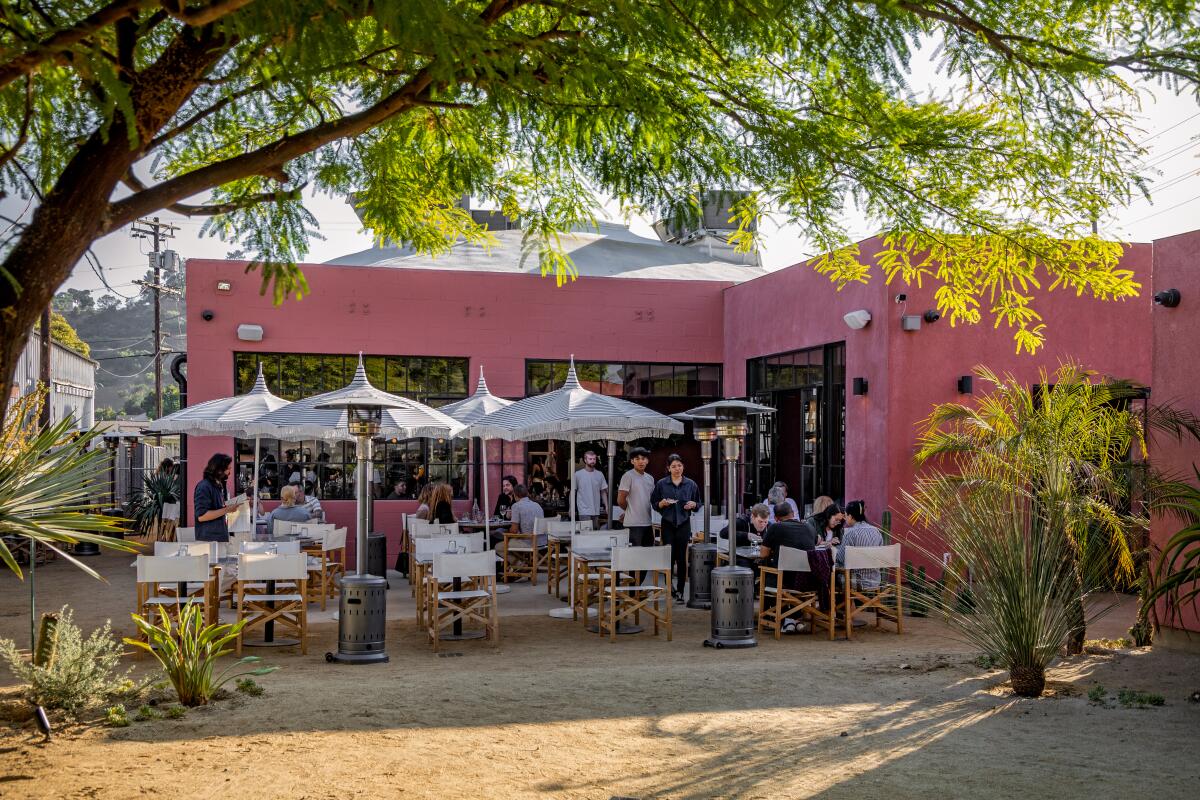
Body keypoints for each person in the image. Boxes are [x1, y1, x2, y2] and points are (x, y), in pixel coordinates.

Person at [650, 454, 699, 601]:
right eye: (673, 466)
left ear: (683, 467)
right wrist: (662, 504)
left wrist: (693, 505)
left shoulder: (691, 484)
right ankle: (669, 586)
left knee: (682, 558)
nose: (677, 469)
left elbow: (698, 503)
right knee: (669, 556)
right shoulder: (661, 484)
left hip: (684, 523)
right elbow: (654, 503)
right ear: (668, 468)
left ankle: (681, 591)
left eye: (679, 465)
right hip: (667, 523)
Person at [193, 453, 242, 544]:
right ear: (219, 470)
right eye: (228, 469)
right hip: (209, 542)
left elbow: (218, 510)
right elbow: (202, 516)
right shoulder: (204, 487)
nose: (229, 472)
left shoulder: (218, 486)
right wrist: (227, 509)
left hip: (218, 538)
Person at [837, 499, 885, 590]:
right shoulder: (876, 531)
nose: (845, 518)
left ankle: (847, 604)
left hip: (856, 583)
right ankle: (862, 603)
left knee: (834, 578)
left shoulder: (851, 533)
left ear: (850, 516)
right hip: (876, 581)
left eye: (846, 515)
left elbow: (840, 559)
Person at [617, 447, 655, 547]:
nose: (640, 461)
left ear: (647, 461)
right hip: (633, 524)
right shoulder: (628, 476)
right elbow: (621, 500)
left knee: (648, 553)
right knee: (634, 556)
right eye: (637, 459)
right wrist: (629, 510)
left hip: (647, 522)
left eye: (643, 458)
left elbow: (651, 500)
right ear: (632, 461)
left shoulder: (650, 478)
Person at [759, 502, 817, 566]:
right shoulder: (810, 527)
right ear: (793, 513)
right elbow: (816, 542)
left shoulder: (775, 527)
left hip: (783, 574)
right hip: (807, 573)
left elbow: (763, 554)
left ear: (775, 518)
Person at [574, 450, 608, 529]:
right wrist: (571, 508)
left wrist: (607, 506)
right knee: (586, 534)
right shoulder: (578, 474)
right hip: (583, 510)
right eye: (590, 459)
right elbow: (573, 492)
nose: (592, 461)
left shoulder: (599, 474)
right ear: (585, 460)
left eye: (594, 459)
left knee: (595, 534)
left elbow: (603, 491)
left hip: (596, 509)